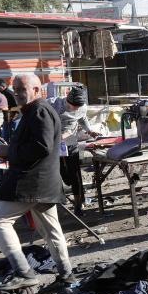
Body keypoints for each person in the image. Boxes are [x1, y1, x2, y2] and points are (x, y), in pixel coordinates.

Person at [0, 74, 77, 289]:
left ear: (36, 90)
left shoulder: (39, 111)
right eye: (15, 89)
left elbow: (41, 146)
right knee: (50, 231)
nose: (17, 93)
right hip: (43, 182)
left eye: (22, 89)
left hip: (33, 183)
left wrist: (9, 151)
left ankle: (24, 273)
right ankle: (67, 276)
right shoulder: (34, 110)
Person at [50, 86, 98, 214]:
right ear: (68, 100)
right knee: (62, 173)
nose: (76, 109)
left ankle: (78, 204)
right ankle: (61, 197)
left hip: (71, 142)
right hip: (55, 143)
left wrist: (89, 130)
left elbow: (82, 118)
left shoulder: (82, 108)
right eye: (74, 106)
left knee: (75, 174)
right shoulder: (54, 104)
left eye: (78, 107)